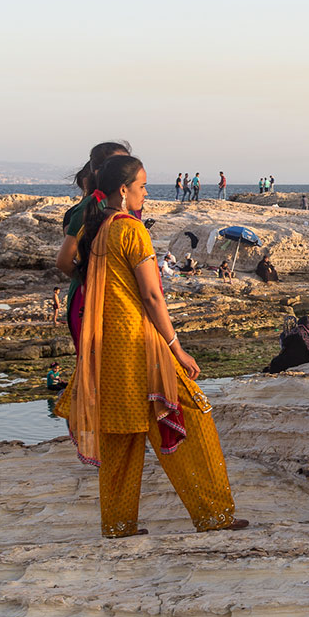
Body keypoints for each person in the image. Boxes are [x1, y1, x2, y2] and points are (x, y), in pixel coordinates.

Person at [53, 155, 245, 538]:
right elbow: (153, 297)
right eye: (142, 187)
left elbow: (72, 267)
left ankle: (119, 525)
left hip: (107, 347)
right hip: (140, 343)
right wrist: (177, 348)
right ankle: (214, 516)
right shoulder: (131, 230)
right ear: (123, 191)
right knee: (193, 414)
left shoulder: (100, 227)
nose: (146, 194)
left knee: (121, 435)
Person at [55, 141, 134, 349]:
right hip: (90, 300)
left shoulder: (124, 208)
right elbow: (64, 261)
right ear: (100, 171)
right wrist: (94, 280)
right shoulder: (88, 208)